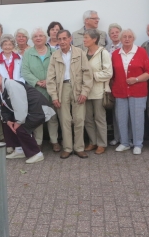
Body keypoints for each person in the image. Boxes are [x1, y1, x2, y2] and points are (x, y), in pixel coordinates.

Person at [0, 70, 55, 164]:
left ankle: (37, 154)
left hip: (38, 110)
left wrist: (18, 122)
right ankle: (19, 150)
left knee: (21, 128)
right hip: (26, 111)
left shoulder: (11, 84)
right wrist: (8, 121)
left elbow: (20, 105)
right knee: (7, 123)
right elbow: (3, 108)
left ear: (0, 76)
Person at [46, 30, 93, 159]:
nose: (62, 41)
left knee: (79, 119)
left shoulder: (80, 53)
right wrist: (54, 96)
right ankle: (67, 148)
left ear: (70, 39)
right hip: (62, 88)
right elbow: (50, 78)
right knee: (65, 120)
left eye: (64, 38)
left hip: (77, 87)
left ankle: (79, 148)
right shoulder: (55, 56)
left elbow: (88, 74)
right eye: (59, 39)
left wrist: (84, 92)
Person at [112, 29, 149, 155]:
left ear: (133, 39)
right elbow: (112, 74)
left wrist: (136, 79)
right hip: (120, 91)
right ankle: (124, 143)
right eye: (124, 36)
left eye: (130, 36)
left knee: (137, 119)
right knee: (122, 118)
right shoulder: (115, 54)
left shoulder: (141, 52)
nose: (127, 39)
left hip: (138, 91)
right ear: (120, 39)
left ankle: (137, 144)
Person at [21, 27, 61, 152]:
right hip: (35, 90)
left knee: (52, 117)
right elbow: (25, 71)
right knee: (37, 117)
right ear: (32, 39)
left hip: (52, 89)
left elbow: (59, 70)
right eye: (35, 36)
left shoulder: (54, 52)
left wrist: (48, 81)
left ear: (45, 38)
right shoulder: (28, 53)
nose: (38, 38)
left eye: (41, 36)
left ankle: (54, 141)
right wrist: (37, 82)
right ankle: (38, 142)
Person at [83, 29, 113, 154]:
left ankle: (102, 143)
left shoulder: (103, 53)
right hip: (85, 92)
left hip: (99, 92)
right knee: (88, 118)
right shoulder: (83, 53)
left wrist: (92, 75)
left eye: (86, 38)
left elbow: (108, 73)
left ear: (94, 39)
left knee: (100, 119)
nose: (84, 40)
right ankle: (92, 142)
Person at [0, 34, 25, 140]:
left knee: (18, 115)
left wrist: (17, 85)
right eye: (5, 44)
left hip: (16, 91)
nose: (7, 47)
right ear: (1, 46)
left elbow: (23, 75)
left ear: (13, 46)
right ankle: (10, 143)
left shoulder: (19, 58)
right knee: (7, 117)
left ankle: (19, 143)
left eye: (10, 44)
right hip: (2, 92)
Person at [106, 23, 123, 146]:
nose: (115, 34)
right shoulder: (106, 48)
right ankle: (117, 137)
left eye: (117, 32)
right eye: (112, 33)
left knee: (125, 111)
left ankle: (128, 138)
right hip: (112, 82)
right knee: (116, 112)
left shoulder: (127, 46)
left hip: (124, 81)